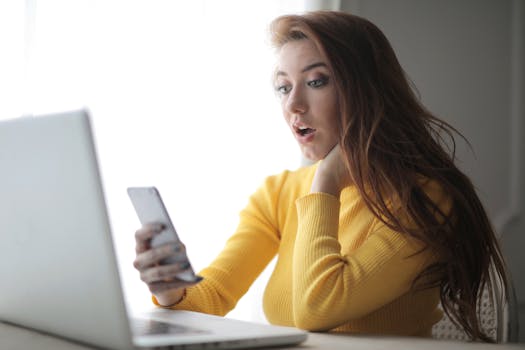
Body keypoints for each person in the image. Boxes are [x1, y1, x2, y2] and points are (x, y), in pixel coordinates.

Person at [133, 11, 509, 341]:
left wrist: (326, 183)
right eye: (283, 87)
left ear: (367, 91)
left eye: (316, 81)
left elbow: (318, 308)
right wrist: (171, 289)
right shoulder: (278, 193)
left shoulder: (424, 200)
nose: (293, 104)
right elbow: (210, 299)